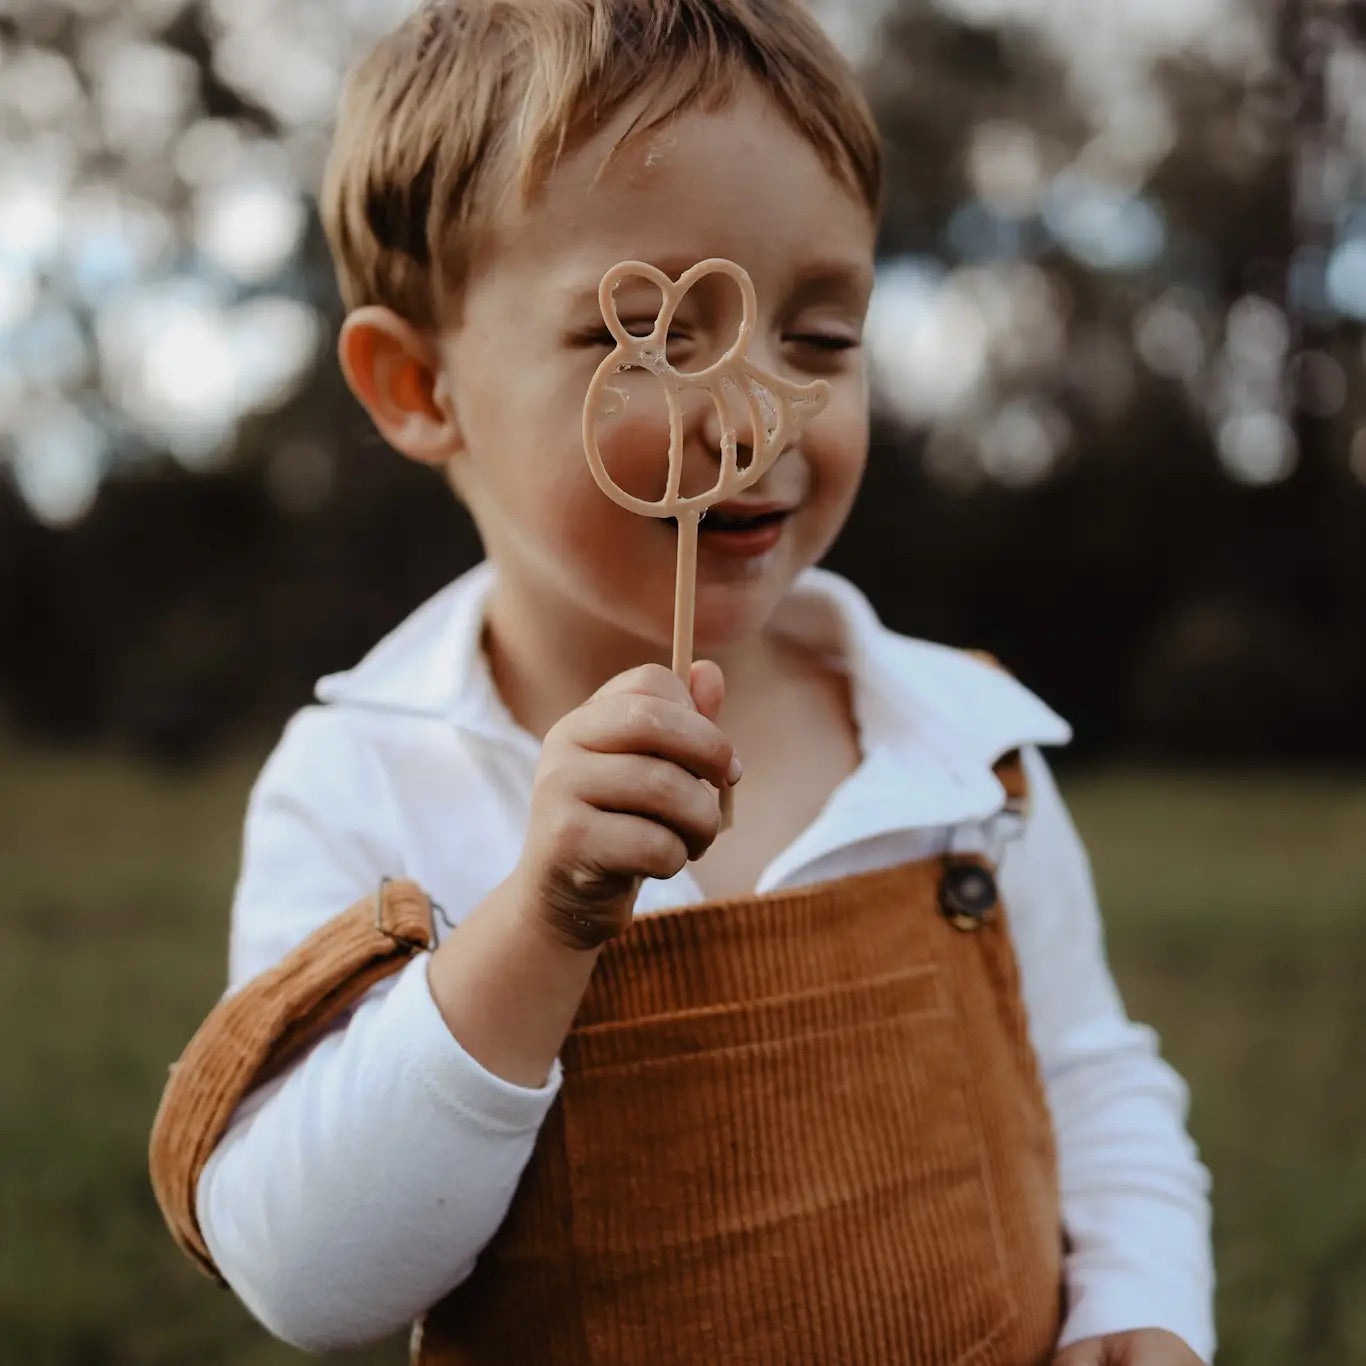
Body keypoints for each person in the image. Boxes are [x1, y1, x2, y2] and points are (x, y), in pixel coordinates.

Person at [150, 2, 1215, 1361]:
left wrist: (1140, 1304)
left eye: (818, 339)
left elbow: (1088, 1078)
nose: (752, 413)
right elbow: (308, 1279)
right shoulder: (367, 776)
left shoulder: (961, 743)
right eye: (649, 335)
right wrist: (537, 926)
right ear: (419, 384)